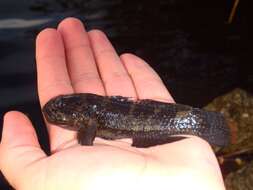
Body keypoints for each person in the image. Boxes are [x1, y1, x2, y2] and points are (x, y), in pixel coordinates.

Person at [0, 17, 226, 190]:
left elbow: (88, 134)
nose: (55, 111)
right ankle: (205, 123)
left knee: (184, 120)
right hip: (142, 121)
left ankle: (203, 124)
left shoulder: (89, 120)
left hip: (142, 122)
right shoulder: (89, 112)